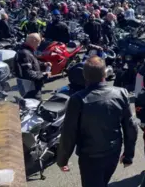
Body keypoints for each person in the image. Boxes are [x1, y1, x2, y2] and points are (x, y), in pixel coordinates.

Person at [57, 56, 138, 187]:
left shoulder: (77, 99)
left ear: (84, 75)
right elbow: (131, 126)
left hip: (90, 157)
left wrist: (62, 160)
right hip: (113, 152)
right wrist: (129, 154)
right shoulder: (121, 93)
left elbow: (68, 133)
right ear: (105, 73)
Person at [13, 33, 51, 99]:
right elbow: (28, 73)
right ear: (34, 41)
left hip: (33, 86)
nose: (39, 45)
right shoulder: (25, 53)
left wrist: (43, 64)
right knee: (35, 105)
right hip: (30, 88)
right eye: (38, 43)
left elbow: (33, 62)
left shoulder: (28, 51)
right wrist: (44, 74)